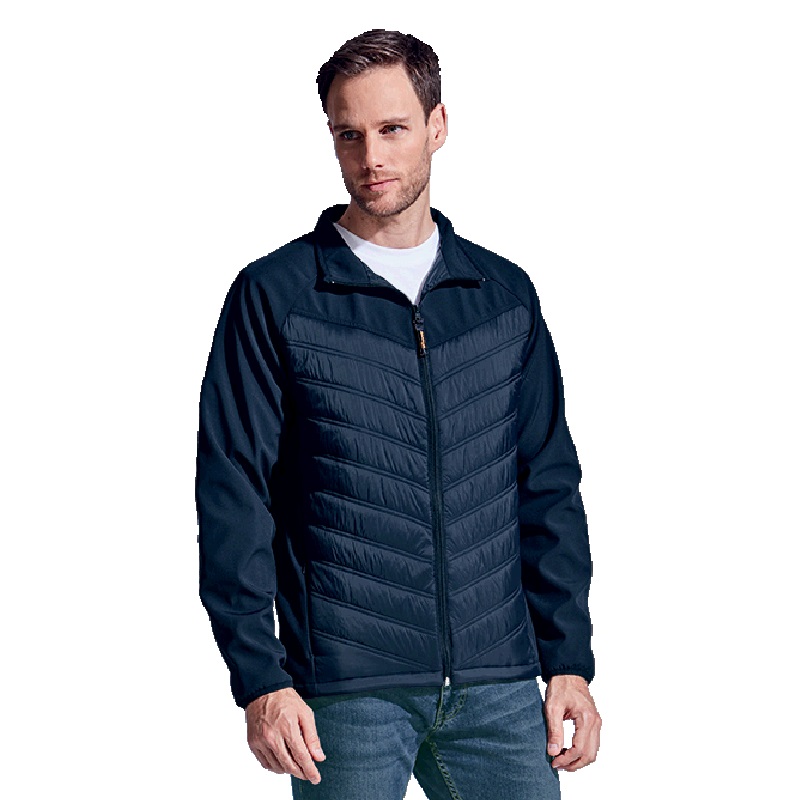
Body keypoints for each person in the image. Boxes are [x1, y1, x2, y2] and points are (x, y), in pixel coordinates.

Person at [195, 28, 601, 799]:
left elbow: (547, 484)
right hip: (346, 688)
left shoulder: (501, 296)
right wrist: (260, 677)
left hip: (499, 682)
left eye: (392, 129)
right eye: (348, 134)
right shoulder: (277, 296)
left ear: (437, 125)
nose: (370, 157)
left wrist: (568, 660)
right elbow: (234, 493)